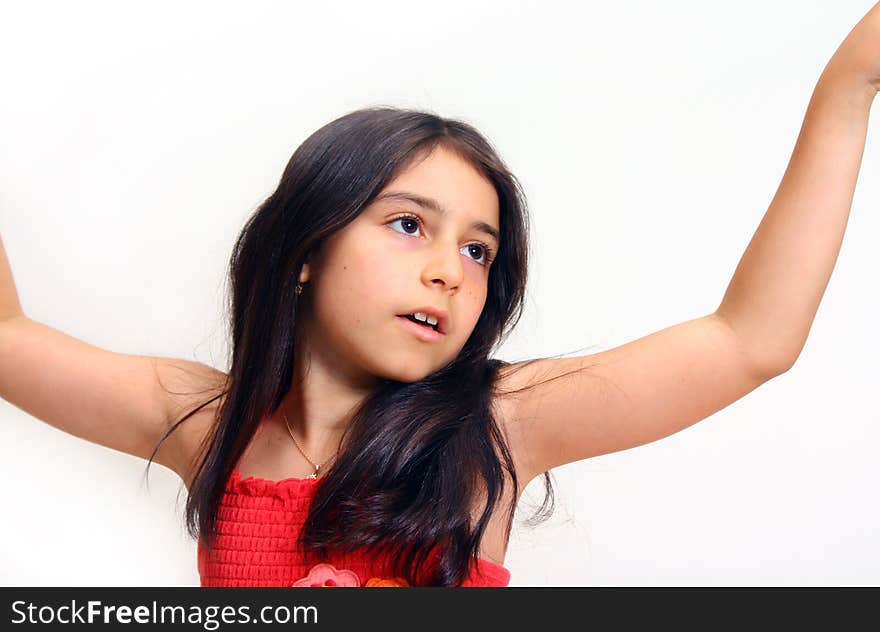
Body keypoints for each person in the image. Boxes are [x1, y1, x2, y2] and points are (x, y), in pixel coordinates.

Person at [1, 3, 878, 587]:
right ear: (308, 244)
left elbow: (748, 339)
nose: (450, 270)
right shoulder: (209, 424)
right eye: (409, 224)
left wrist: (849, 87)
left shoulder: (494, 424)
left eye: (479, 249)